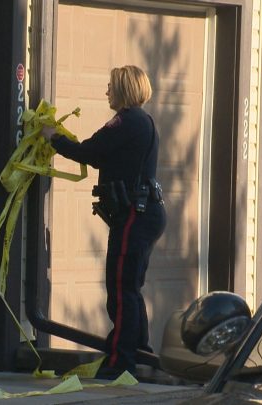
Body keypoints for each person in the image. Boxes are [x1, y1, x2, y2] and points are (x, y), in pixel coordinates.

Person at [41, 65, 166, 379]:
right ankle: (139, 351)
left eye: (111, 86)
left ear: (124, 89)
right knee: (130, 287)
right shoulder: (142, 122)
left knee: (121, 289)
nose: (107, 91)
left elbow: (90, 151)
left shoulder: (127, 120)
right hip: (144, 213)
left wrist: (53, 138)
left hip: (136, 215)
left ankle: (121, 362)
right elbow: (100, 156)